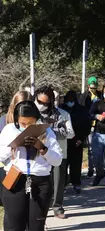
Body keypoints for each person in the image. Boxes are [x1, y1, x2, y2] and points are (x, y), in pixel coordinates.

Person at [0, 101, 62, 231]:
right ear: (17, 120)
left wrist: (42, 148)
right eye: (23, 123)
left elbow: (57, 160)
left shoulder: (47, 132)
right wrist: (13, 147)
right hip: (15, 180)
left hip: (39, 182)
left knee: (36, 228)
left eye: (31, 123)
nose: (27, 127)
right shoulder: (9, 130)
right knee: (14, 228)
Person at [34, 86, 74, 219]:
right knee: (40, 185)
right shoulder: (32, 114)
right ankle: (41, 214)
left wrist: (53, 132)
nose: (42, 106)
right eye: (39, 102)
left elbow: (71, 133)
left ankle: (57, 207)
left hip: (58, 153)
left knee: (58, 182)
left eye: (45, 103)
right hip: (38, 155)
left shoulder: (63, 114)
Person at [0, 91, 31, 231]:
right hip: (8, 170)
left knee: (29, 209)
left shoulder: (34, 121)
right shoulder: (5, 121)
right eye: (21, 105)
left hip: (30, 170)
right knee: (10, 211)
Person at [60, 91, 91, 194]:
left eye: (72, 100)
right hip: (64, 141)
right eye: (68, 100)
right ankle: (62, 184)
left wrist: (81, 139)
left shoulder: (82, 110)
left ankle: (76, 183)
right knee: (63, 164)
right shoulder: (61, 110)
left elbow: (87, 125)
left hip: (77, 141)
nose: (70, 102)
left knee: (76, 164)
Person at [79, 76, 101, 178]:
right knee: (91, 149)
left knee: (100, 149)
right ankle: (91, 169)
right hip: (89, 125)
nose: (93, 89)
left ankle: (100, 168)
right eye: (91, 87)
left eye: (95, 87)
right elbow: (82, 110)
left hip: (99, 125)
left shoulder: (100, 95)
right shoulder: (84, 97)